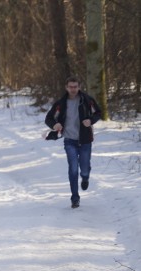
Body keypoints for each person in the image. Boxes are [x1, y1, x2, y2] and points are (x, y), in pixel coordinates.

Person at [44, 76, 102, 208]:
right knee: (73, 169)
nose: (73, 89)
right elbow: (48, 118)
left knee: (85, 168)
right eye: (70, 87)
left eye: (75, 86)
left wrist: (90, 121)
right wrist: (55, 125)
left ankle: (85, 176)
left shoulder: (87, 100)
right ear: (66, 87)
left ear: (79, 87)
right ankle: (75, 198)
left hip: (85, 140)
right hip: (69, 140)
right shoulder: (61, 103)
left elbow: (98, 112)